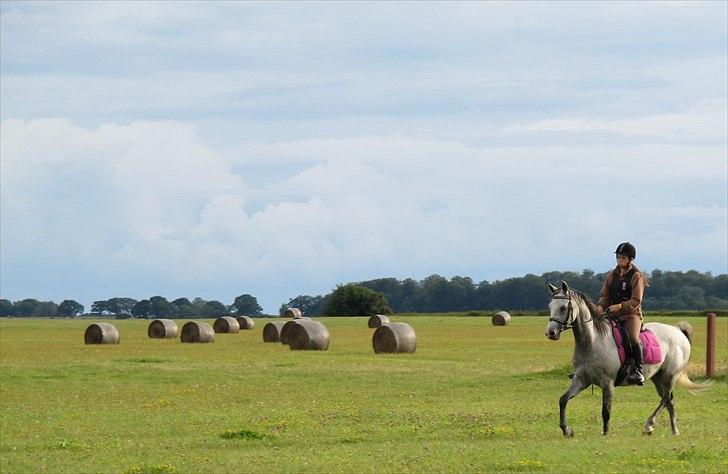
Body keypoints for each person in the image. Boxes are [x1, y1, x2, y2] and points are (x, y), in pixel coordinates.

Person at [595, 242, 649, 385]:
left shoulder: (636, 276)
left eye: (623, 257)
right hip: (612, 315)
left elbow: (636, 300)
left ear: (630, 259)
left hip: (631, 315)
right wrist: (600, 305)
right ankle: (589, 367)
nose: (620, 259)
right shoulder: (611, 275)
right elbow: (604, 295)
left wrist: (619, 306)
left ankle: (638, 370)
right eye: (619, 257)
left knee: (632, 337)